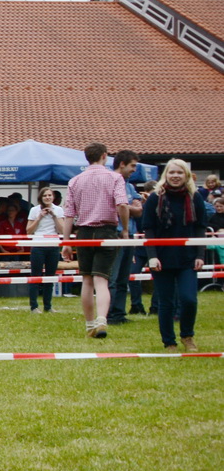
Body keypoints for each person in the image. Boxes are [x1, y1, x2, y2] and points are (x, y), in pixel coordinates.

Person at [141, 159, 208, 352]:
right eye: (172, 172)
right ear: (165, 175)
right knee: (166, 302)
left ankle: (187, 336)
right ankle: (169, 341)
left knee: (189, 299)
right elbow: (149, 229)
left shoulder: (195, 197)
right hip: (161, 257)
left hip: (188, 257)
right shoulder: (155, 198)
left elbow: (200, 228)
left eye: (180, 172)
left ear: (186, 175)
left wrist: (200, 254)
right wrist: (152, 255)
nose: (176, 176)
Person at [67, 143, 130, 339]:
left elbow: (69, 213)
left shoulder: (75, 180)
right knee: (101, 280)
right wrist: (125, 229)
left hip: (83, 232)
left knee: (86, 280)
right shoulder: (114, 177)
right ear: (105, 156)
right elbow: (122, 204)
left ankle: (89, 324)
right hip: (106, 231)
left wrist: (66, 240)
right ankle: (102, 319)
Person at [107, 151, 147, 324]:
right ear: (122, 164)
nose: (134, 170)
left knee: (124, 277)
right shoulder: (109, 181)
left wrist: (126, 207)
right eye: (133, 166)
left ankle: (119, 313)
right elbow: (117, 207)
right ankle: (108, 313)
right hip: (115, 233)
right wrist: (128, 207)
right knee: (113, 278)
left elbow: (139, 210)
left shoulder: (129, 186)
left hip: (129, 234)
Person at [25, 185, 70, 313]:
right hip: (38, 245)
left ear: (53, 197)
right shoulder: (34, 210)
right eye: (45, 195)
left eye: (49, 195)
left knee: (50, 276)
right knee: (36, 276)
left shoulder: (59, 210)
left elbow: (62, 230)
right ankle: (34, 306)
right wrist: (39, 217)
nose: (47, 197)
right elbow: (28, 231)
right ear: (41, 198)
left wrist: (54, 216)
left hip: (53, 245)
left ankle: (48, 306)